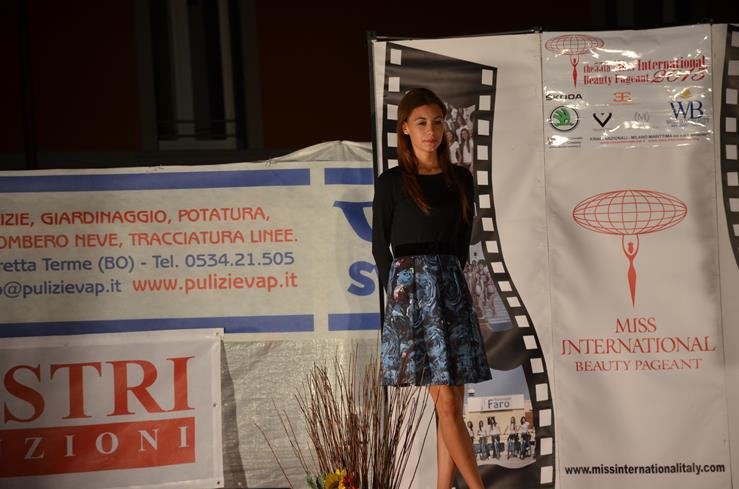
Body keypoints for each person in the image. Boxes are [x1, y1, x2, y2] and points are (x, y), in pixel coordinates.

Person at [373, 87, 492, 489]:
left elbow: (461, 243)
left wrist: (447, 283)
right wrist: (399, 301)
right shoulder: (391, 183)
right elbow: (380, 247)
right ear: (405, 128)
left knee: (452, 406)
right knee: (447, 404)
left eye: (438, 122)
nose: (431, 131)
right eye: (421, 122)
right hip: (411, 296)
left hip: (451, 289)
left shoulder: (460, 179)